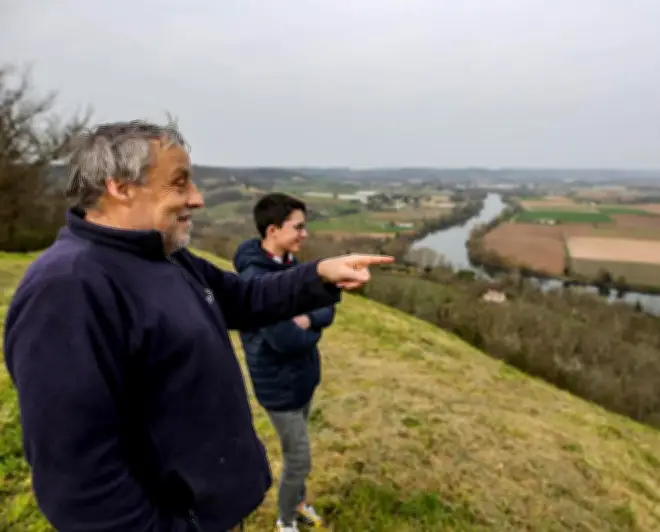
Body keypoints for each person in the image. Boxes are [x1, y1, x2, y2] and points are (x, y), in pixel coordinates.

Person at [2, 119, 393, 532]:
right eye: (179, 183)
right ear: (121, 187)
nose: (197, 198)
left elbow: (243, 298)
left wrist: (319, 275)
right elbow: (78, 477)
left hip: (211, 511)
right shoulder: (67, 290)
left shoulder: (162, 255)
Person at [233, 193, 333, 532]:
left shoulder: (290, 264)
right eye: (298, 227)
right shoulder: (255, 279)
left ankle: (298, 503)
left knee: (298, 455)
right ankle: (286, 521)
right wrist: (312, 326)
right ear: (273, 230)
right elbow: (284, 339)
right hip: (279, 387)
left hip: (302, 378)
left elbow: (327, 306)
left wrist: (308, 319)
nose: (305, 234)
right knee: (299, 459)